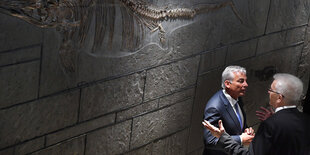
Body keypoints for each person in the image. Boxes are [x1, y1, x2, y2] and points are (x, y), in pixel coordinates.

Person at [203, 73, 310, 155]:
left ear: (279, 98)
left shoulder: (270, 124)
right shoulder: (306, 119)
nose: (268, 92)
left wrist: (223, 137)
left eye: (271, 90)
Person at [203, 66, 254, 155]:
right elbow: (210, 141)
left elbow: (237, 121)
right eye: (241, 81)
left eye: (246, 81)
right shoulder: (214, 107)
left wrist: (246, 129)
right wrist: (241, 139)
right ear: (227, 84)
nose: (246, 84)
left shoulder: (237, 97)